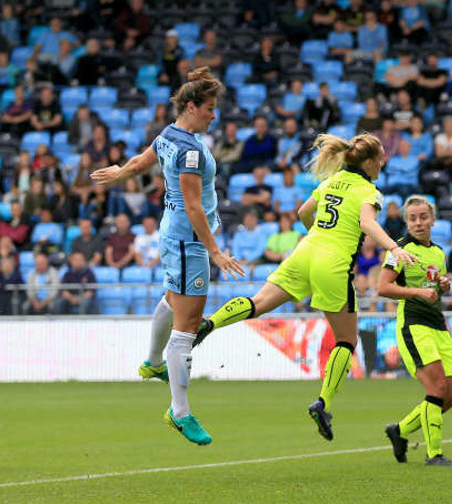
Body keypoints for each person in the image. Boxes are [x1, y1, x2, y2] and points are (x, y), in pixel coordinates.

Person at [193, 133, 415, 441]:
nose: (383, 162)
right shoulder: (369, 190)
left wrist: (318, 238)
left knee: (258, 302)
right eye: (380, 158)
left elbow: (302, 213)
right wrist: (394, 247)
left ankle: (209, 323)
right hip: (332, 263)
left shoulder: (333, 181)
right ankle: (323, 403)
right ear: (368, 162)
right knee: (347, 340)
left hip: (304, 252)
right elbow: (366, 223)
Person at [90, 68, 244, 446]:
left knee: (171, 298)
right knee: (188, 326)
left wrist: (121, 172)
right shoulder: (190, 150)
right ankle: (180, 412)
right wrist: (215, 251)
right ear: (191, 107)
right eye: (209, 108)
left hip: (172, 232)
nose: (214, 115)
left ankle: (152, 363)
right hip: (189, 240)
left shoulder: (170, 134)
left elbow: (144, 160)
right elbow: (194, 206)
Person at [379, 196, 452, 466]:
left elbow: (434, 288)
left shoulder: (438, 253)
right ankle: (434, 454)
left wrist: (442, 287)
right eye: (412, 218)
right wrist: (417, 292)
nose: (418, 222)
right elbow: (383, 287)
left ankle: (399, 431)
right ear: (406, 221)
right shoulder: (399, 250)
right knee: (437, 387)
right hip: (413, 323)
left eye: (423, 217)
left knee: (449, 397)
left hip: (438, 324)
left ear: (433, 219)